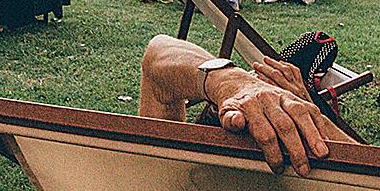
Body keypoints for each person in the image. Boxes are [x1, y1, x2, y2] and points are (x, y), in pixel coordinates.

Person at [139, 34, 355, 177]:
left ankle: (277, 91)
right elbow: (158, 50)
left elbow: (157, 52)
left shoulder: (159, 177)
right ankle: (294, 94)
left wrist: (229, 82)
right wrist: (309, 112)